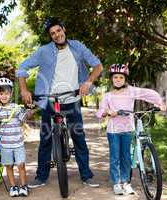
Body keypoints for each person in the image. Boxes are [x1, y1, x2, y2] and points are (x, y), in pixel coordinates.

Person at [16, 16, 103, 188]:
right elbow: (22, 68)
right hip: (49, 99)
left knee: (78, 137)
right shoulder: (43, 51)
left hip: (72, 98)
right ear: (51, 36)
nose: (56, 35)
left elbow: (97, 65)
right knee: (46, 138)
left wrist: (88, 82)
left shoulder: (77, 46)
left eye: (58, 30)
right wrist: (24, 90)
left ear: (64, 29)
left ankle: (86, 175)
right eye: (52, 33)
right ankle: (41, 176)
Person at [96, 64, 166, 195]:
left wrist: (159, 102)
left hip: (127, 129)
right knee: (115, 157)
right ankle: (116, 182)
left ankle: (126, 182)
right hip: (114, 131)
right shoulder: (108, 96)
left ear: (125, 79)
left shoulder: (131, 91)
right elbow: (99, 112)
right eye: (115, 77)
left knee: (126, 157)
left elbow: (148, 93)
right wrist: (107, 112)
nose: (118, 79)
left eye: (120, 77)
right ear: (111, 79)